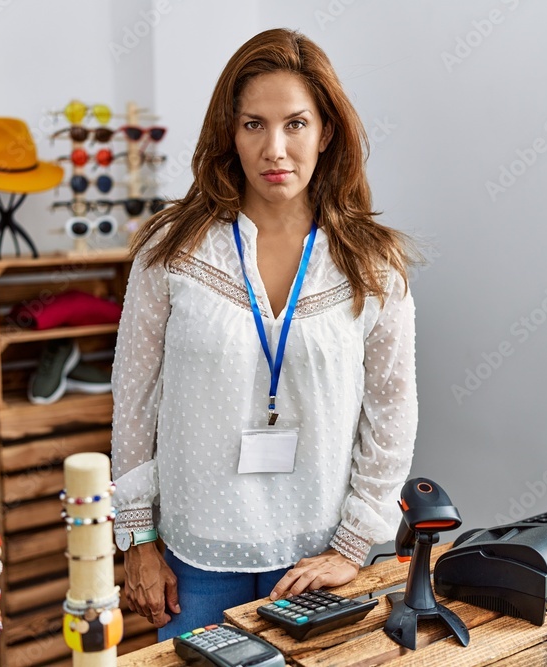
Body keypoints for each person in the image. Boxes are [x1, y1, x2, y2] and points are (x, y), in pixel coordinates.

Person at [111, 27, 420, 640]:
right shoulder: (170, 251)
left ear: (326, 132)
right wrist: (137, 539)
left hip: (315, 556)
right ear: (230, 131)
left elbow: (392, 409)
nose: (275, 148)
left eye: (295, 124)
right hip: (192, 553)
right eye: (253, 124)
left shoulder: (372, 262)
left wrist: (354, 545)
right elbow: (133, 397)